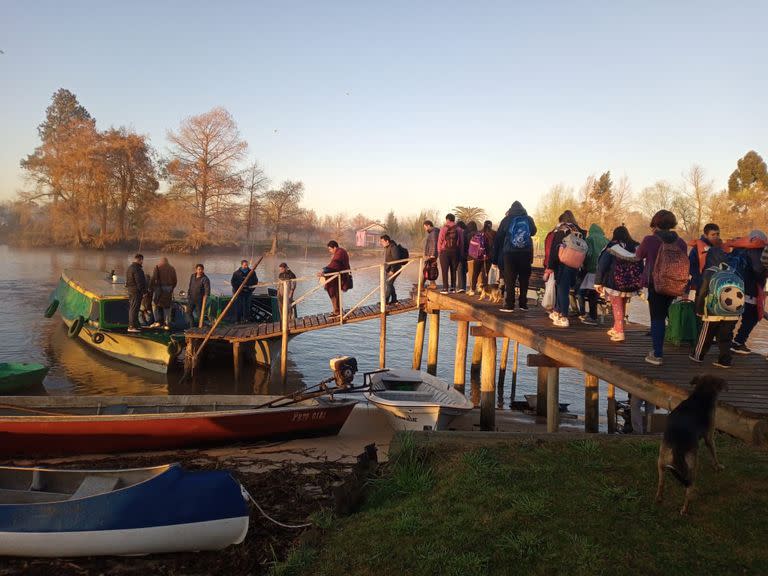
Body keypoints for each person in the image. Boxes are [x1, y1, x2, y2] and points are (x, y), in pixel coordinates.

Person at [635, 209, 689, 366]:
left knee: (657, 318)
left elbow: (638, 256)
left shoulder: (649, 240)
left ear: (655, 223)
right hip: (674, 284)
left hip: (656, 284)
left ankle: (657, 354)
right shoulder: (681, 242)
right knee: (665, 314)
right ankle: (674, 339)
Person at [595, 226, 642, 342]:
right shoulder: (636, 247)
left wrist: (598, 282)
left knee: (616, 305)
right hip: (631, 283)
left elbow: (602, 265)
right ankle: (616, 327)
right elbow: (641, 265)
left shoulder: (612, 246)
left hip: (614, 282)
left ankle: (620, 332)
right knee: (623, 305)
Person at [724, 230, 768, 355]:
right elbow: (758, 269)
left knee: (733, 317)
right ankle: (738, 342)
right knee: (752, 317)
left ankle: (726, 342)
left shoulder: (739, 248)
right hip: (749, 289)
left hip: (734, 287)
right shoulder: (755, 250)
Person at [689, 263, 739, 369]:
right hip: (732, 311)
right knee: (726, 337)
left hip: (712, 311)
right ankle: (725, 361)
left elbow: (702, 292)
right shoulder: (734, 271)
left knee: (706, 335)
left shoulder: (710, 272)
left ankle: (697, 356)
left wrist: (699, 309)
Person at [495, 201, 537, 312]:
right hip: (526, 253)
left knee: (510, 279)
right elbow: (533, 232)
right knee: (524, 279)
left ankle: (509, 305)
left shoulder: (507, 219)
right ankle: (523, 304)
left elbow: (499, 236)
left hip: (509, 253)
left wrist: (496, 255)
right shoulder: (528, 219)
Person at [547, 210, 586, 326]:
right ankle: (557, 311)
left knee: (562, 290)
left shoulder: (562, 230)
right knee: (564, 289)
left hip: (562, 263)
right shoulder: (579, 231)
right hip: (575, 265)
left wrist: (550, 266)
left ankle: (564, 317)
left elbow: (555, 249)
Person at [579, 224, 608, 325]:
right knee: (594, 294)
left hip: (591, 271)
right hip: (603, 272)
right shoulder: (606, 240)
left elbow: (588, 254)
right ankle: (591, 315)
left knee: (583, 292)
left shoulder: (590, 239)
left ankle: (589, 315)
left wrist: (584, 265)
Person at [689, 223, 725, 292]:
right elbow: (691, 267)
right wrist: (700, 282)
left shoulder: (721, 248)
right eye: (713, 235)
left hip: (717, 286)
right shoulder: (696, 249)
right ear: (705, 235)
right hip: (699, 285)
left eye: (718, 234)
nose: (716, 237)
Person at [318, 240, 350, 316]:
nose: (330, 251)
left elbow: (335, 264)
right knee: (334, 292)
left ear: (334, 247)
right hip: (339, 275)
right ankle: (337, 310)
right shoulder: (340, 251)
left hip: (339, 276)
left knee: (333, 292)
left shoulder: (340, 252)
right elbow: (333, 264)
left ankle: (337, 311)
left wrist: (324, 270)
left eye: (330, 249)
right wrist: (325, 270)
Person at [437, 213, 464, 294]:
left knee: (445, 270)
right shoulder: (459, 229)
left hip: (444, 252)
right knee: (453, 270)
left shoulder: (443, 228)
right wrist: (461, 253)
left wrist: (439, 252)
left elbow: (440, 241)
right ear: (454, 219)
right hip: (455, 252)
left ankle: (445, 289)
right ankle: (453, 288)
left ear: (447, 219)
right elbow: (461, 243)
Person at [149, 257, 177, 330]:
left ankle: (157, 321)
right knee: (167, 306)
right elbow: (175, 280)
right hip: (169, 288)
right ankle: (167, 323)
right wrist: (172, 288)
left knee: (154, 304)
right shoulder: (172, 268)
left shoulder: (157, 267)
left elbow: (153, 278)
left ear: (160, 261)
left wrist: (151, 287)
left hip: (159, 288)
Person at [125, 253, 147, 333]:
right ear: (140, 260)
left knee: (134, 308)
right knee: (134, 309)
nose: (142, 262)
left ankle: (135, 325)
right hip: (136, 292)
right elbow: (139, 282)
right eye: (142, 260)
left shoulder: (130, 267)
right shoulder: (137, 269)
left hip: (131, 290)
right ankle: (131, 326)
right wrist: (144, 292)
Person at [379, 235, 401, 304]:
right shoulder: (387, 247)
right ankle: (394, 299)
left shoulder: (393, 247)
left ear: (387, 241)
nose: (381, 243)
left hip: (395, 269)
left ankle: (385, 301)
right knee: (389, 284)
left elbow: (396, 260)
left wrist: (392, 270)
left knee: (389, 284)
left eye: (382, 241)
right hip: (389, 269)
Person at [422, 220, 440, 289]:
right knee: (429, 268)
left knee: (430, 268)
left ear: (429, 225)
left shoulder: (433, 233)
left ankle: (432, 284)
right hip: (431, 254)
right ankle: (429, 284)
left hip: (432, 254)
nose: (425, 229)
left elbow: (434, 244)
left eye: (425, 227)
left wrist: (432, 254)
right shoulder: (434, 232)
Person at [456, 220, 468, 293]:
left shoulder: (462, 234)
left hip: (461, 255)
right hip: (467, 255)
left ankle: (461, 287)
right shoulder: (466, 233)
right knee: (463, 271)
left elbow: (461, 245)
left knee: (460, 270)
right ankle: (463, 287)